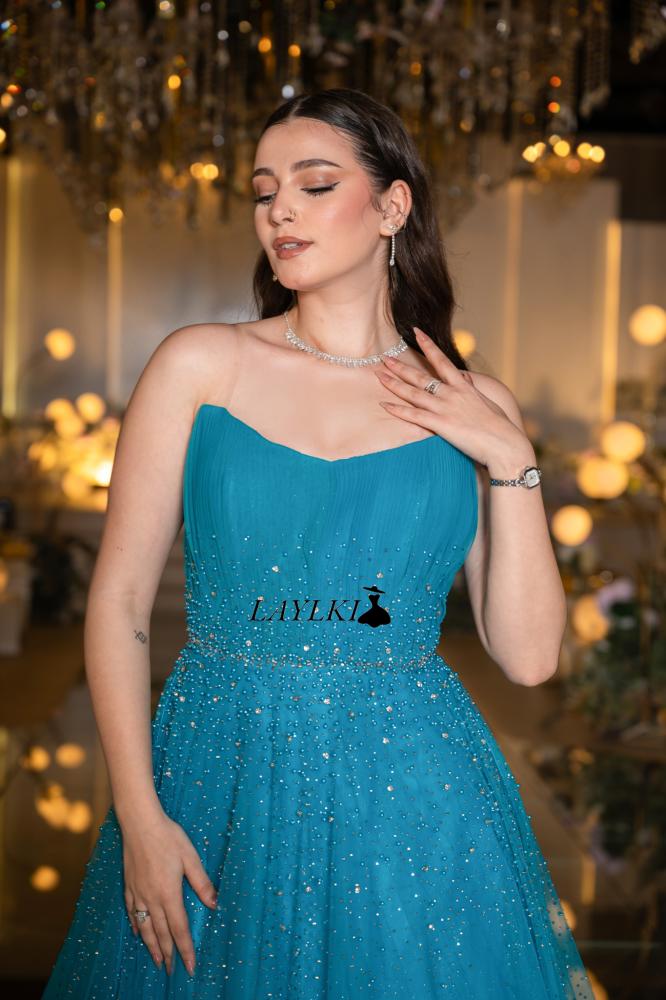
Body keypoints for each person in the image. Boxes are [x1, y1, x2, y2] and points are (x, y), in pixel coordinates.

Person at [43, 88, 594, 998]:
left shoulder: (473, 405)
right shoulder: (200, 365)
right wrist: (138, 817)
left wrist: (512, 460)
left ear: (392, 206)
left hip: (414, 798)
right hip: (217, 773)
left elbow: (531, 660)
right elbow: (120, 603)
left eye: (314, 184)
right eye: (265, 192)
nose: (280, 211)